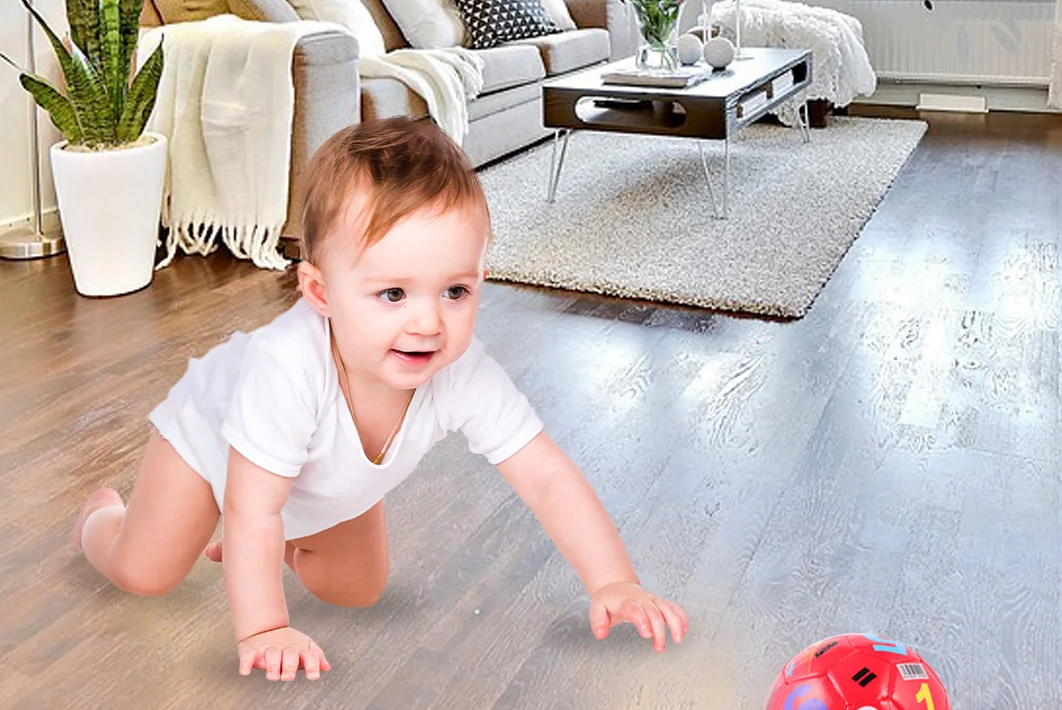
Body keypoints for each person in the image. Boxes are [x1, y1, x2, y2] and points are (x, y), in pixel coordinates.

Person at [73, 117, 688, 681]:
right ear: (319, 291)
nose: (427, 323)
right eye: (393, 294)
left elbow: (547, 477)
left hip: (306, 480)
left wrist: (615, 582)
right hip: (208, 453)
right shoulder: (285, 368)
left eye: (455, 291)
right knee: (145, 572)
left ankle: (251, 550)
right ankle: (100, 518)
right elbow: (252, 506)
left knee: (355, 587)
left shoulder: (460, 370)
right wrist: (265, 627)